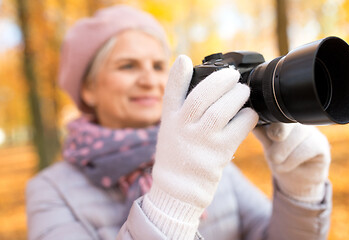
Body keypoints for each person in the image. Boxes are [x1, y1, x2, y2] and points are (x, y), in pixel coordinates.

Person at [26, 4, 332, 240]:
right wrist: (170, 202)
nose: (150, 80)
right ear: (88, 88)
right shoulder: (50, 191)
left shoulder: (211, 162)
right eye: (128, 65)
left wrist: (300, 192)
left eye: (159, 66)